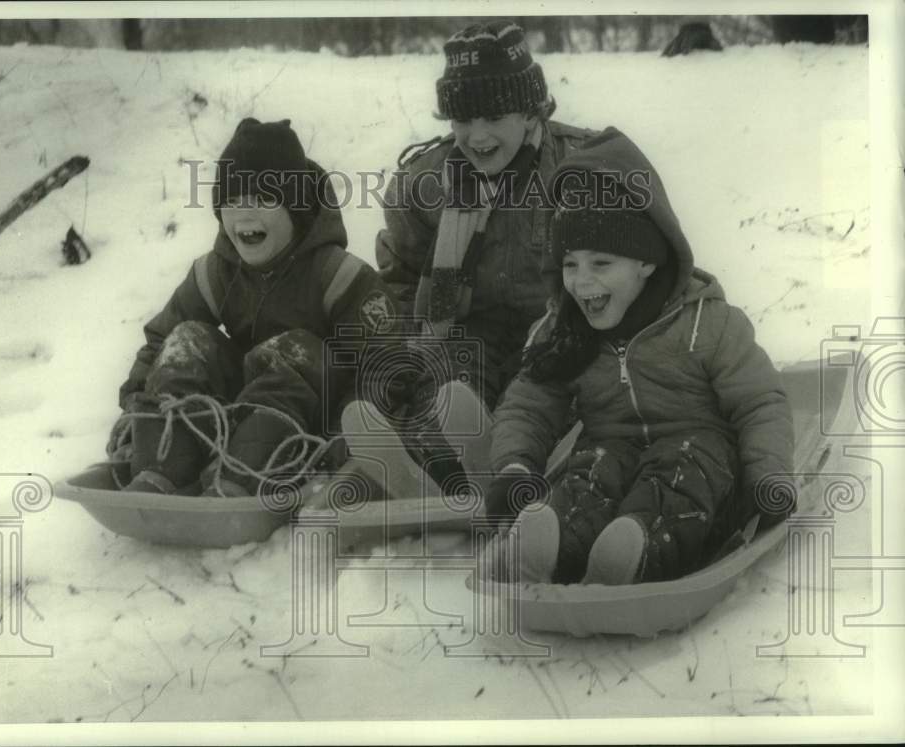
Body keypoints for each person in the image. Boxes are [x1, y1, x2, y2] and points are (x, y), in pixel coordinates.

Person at [485, 128, 794, 585]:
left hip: (703, 457)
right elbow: (529, 405)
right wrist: (514, 467)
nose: (582, 282)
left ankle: (635, 552)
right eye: (570, 264)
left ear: (646, 261)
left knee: (679, 481)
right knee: (587, 478)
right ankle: (551, 548)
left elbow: (759, 403)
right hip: (610, 448)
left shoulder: (708, 323)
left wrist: (769, 476)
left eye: (601, 264)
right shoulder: (566, 331)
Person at [113, 117, 398, 497]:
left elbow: (388, 364)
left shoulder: (338, 277)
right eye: (231, 202)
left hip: (313, 428)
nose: (244, 215)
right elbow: (161, 342)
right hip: (235, 416)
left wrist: (349, 433)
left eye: (264, 200)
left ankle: (237, 478)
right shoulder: (215, 274)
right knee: (188, 339)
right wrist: (135, 404)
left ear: (295, 209)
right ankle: (162, 467)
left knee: (295, 349)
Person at [373, 20, 600, 481]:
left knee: (551, 392)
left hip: (563, 334)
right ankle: (438, 461)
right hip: (470, 339)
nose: (477, 137)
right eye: (463, 120)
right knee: (448, 384)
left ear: (531, 112)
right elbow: (399, 280)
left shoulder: (586, 168)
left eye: (494, 118)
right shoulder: (422, 185)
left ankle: (522, 460)